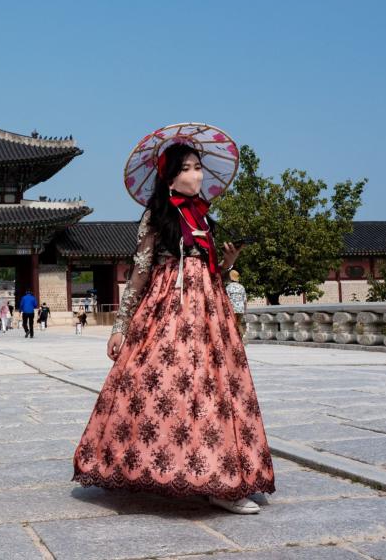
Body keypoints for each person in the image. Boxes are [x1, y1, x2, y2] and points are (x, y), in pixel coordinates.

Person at [72, 126, 275, 515]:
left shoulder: (204, 217)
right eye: (190, 168)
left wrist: (228, 261)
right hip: (169, 310)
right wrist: (121, 326)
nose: (199, 175)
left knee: (215, 390)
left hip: (209, 313)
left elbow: (212, 270)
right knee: (163, 387)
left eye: (200, 167)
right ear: (171, 176)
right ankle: (150, 465)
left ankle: (221, 477)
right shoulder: (157, 216)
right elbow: (140, 271)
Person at [226, 270, 248, 339]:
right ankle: (241, 337)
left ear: (230, 278)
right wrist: (245, 310)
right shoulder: (242, 287)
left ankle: (237, 338)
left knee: (232, 323)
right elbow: (245, 300)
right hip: (240, 308)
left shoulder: (228, 287)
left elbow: (227, 299)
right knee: (238, 323)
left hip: (232, 308)